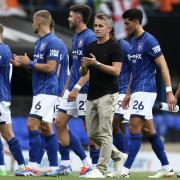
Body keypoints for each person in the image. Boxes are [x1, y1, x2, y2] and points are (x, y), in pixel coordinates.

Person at [119, 8, 176, 178]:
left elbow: (163, 65)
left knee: (133, 127)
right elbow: (133, 72)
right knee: (148, 131)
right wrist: (129, 92)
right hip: (136, 91)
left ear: (136, 21)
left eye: (127, 22)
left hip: (146, 90)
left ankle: (125, 169)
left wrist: (169, 92)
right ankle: (166, 167)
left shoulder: (150, 40)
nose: (125, 26)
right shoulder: (133, 42)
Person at [11, 10, 67, 176]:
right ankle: (54, 166)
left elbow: (51, 68)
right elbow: (38, 68)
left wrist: (31, 62)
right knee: (45, 127)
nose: (33, 24)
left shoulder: (54, 42)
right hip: (40, 90)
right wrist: (24, 64)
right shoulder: (39, 43)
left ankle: (32, 166)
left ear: (39, 22)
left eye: (34, 21)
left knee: (31, 124)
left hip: (48, 90)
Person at [49, 4, 97, 176]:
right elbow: (76, 65)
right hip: (72, 89)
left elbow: (92, 69)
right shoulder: (76, 37)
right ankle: (65, 164)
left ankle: (94, 166)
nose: (68, 18)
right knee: (59, 122)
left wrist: (77, 87)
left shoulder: (90, 37)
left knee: (89, 130)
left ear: (78, 18)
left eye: (70, 16)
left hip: (85, 90)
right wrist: (66, 87)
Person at [79, 13, 128, 178]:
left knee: (105, 133)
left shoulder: (115, 46)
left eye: (101, 26)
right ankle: (119, 156)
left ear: (109, 28)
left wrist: (97, 64)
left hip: (109, 93)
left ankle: (101, 169)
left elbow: (116, 71)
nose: (97, 29)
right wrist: (84, 67)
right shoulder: (90, 47)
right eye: (96, 26)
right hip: (92, 94)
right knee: (92, 134)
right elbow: (84, 72)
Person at [0, 23, 26, 175]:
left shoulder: (2, 49)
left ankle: (19, 166)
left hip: (1, 96)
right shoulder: (6, 49)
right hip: (3, 96)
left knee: (8, 133)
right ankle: (17, 166)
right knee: (6, 133)